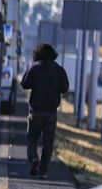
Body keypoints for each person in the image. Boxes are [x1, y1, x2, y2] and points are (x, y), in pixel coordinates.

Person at [21, 42, 69, 179]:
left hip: (35, 111)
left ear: (37, 55)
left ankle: (34, 158)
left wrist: (29, 68)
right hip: (51, 112)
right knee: (48, 142)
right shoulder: (59, 70)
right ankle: (43, 171)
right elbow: (65, 88)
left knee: (32, 138)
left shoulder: (34, 68)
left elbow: (24, 84)